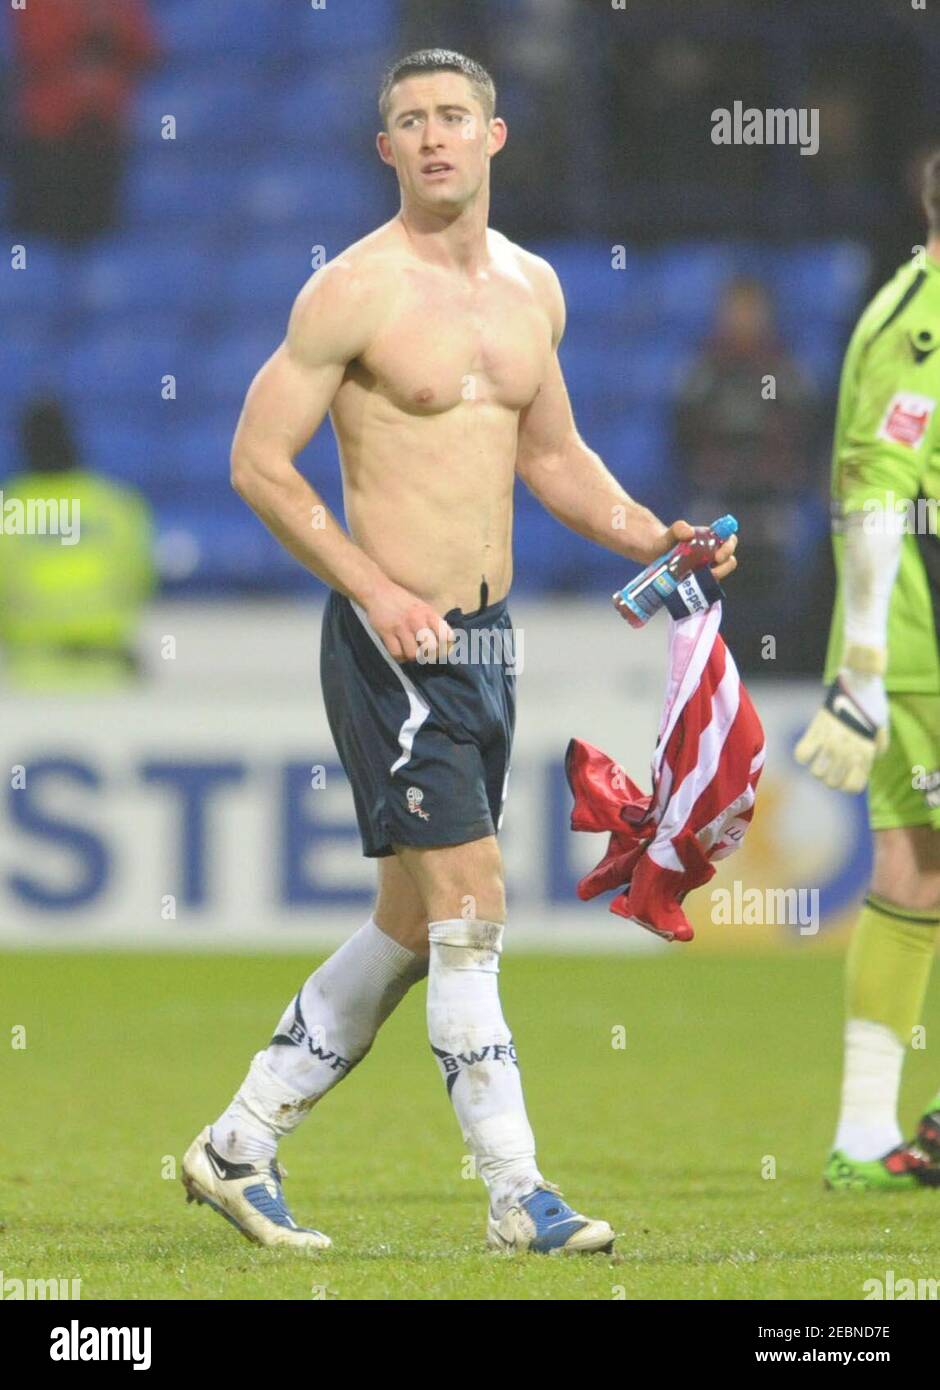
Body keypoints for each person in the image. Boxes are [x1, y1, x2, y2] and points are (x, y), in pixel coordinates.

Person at [181, 49, 737, 1255]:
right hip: (396, 645)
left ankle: (236, 1144)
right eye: (409, 122)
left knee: (408, 923)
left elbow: (551, 455)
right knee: (474, 908)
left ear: (493, 138)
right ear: (385, 151)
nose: (433, 136)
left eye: (453, 117)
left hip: (486, 640)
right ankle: (515, 1194)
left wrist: (655, 533)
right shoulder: (351, 292)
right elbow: (256, 464)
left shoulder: (533, 288)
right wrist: (375, 587)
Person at [795, 149, 940, 1191]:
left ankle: (861, 1134)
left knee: (916, 873)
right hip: (921, 644)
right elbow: (877, 490)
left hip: (902, 642)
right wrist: (864, 663)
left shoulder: (907, 302)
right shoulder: (921, 321)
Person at [674, 276, 820, 672]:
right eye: (735, 309)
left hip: (773, 506)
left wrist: (783, 471)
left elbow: (809, 436)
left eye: (750, 309)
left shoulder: (784, 373)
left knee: (784, 565)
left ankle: (779, 667)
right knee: (711, 582)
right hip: (717, 506)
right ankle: (715, 670)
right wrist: (709, 468)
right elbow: (680, 442)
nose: (742, 319)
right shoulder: (703, 374)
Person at [0, 397, 155, 691]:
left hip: (30, 677)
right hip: (107, 673)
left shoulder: (8, 508)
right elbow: (141, 580)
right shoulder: (117, 505)